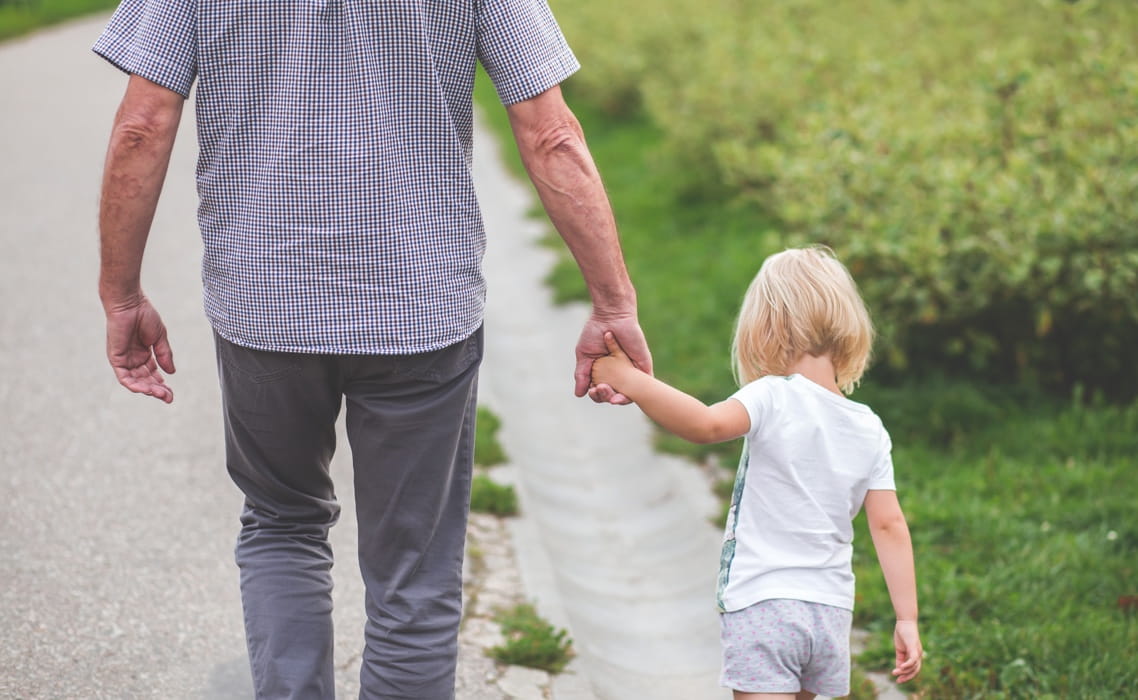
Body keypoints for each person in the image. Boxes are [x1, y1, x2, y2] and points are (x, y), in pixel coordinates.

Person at [93, 0, 650, 697]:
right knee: (414, 571)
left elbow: (142, 126)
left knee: (281, 524)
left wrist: (121, 293)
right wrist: (612, 301)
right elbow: (550, 133)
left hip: (266, 308)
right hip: (421, 307)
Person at [590, 246, 921, 699]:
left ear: (767, 326)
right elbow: (889, 524)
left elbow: (705, 425)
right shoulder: (868, 426)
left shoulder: (772, 395)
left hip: (765, 603)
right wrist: (906, 619)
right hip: (830, 613)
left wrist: (630, 380)